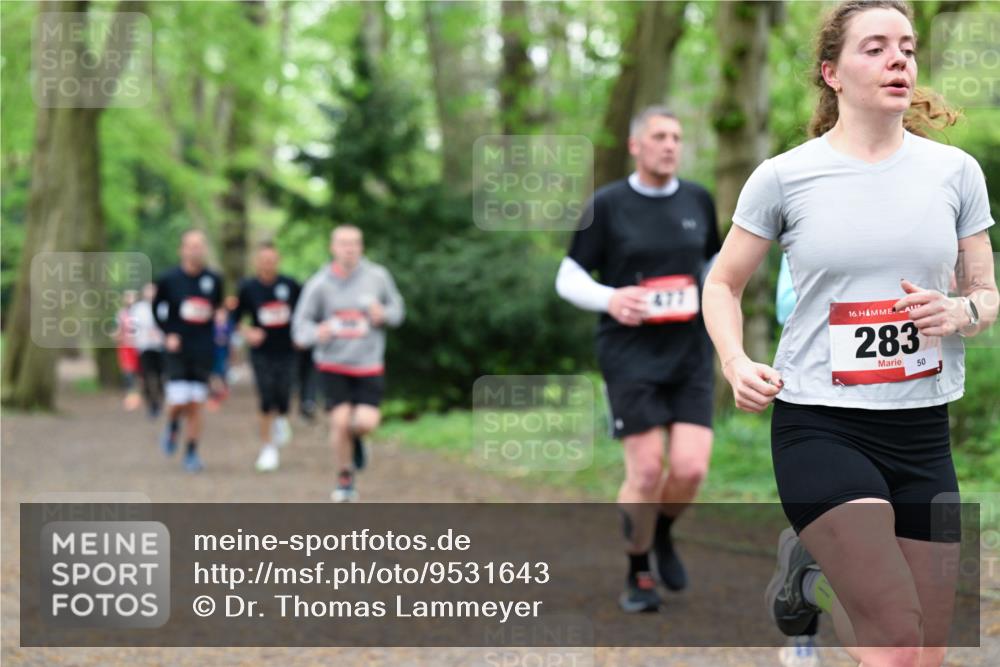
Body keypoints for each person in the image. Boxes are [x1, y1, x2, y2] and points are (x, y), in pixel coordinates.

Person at [702, 3, 996, 666]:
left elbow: (986, 293)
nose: (898, 59)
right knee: (893, 636)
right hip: (820, 426)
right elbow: (721, 285)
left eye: (907, 47)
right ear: (832, 73)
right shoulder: (784, 176)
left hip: (924, 434)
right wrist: (734, 360)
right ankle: (821, 571)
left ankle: (809, 574)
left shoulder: (955, 173)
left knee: (924, 651)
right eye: (876, 48)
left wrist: (962, 313)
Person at [555, 106, 721, 612]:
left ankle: (662, 532)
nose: (670, 145)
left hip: (690, 352)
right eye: (659, 136)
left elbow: (714, 264)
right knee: (646, 470)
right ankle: (637, 570)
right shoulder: (607, 205)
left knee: (690, 469)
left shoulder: (698, 199)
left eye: (676, 136)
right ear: (636, 145)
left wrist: (717, 301)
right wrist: (610, 298)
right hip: (629, 355)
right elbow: (568, 276)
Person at [292, 225, 405, 501]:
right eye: (343, 243)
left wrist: (385, 315)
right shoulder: (319, 284)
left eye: (354, 243)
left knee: (364, 422)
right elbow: (300, 328)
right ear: (333, 248)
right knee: (340, 421)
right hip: (332, 363)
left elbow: (398, 311)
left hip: (368, 363)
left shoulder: (378, 277)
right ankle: (345, 477)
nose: (349, 248)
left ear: (361, 247)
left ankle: (358, 440)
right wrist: (317, 332)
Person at [153, 230, 225, 472]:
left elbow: (216, 309)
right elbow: (156, 308)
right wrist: (167, 333)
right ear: (182, 250)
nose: (195, 250)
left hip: (202, 349)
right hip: (177, 349)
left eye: (199, 246)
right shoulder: (168, 279)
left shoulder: (214, 280)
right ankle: (172, 424)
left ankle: (192, 452)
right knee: (178, 401)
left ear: (204, 250)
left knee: (196, 403)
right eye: (190, 246)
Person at [231, 241, 301, 472]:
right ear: (257, 262)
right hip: (262, 353)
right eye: (264, 260)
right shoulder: (248, 288)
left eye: (272, 260)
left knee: (283, 393)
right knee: (265, 397)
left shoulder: (290, 285)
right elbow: (235, 319)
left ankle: (281, 418)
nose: (268, 264)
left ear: (277, 261)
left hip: (287, 350)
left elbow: (304, 313)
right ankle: (267, 448)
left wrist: (300, 335)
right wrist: (249, 332)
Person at [131, 282, 165, 419]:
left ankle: (160, 402)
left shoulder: (163, 306)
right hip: (144, 347)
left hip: (161, 347)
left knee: (161, 375)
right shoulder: (138, 309)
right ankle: (151, 404)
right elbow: (133, 328)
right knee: (146, 376)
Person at [116, 290, 142, 411]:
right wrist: (117, 336)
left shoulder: (142, 312)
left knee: (141, 372)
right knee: (128, 372)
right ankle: (131, 397)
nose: (130, 299)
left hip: (140, 346)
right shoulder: (121, 313)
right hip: (126, 346)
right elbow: (118, 329)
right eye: (128, 297)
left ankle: (141, 395)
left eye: (132, 297)